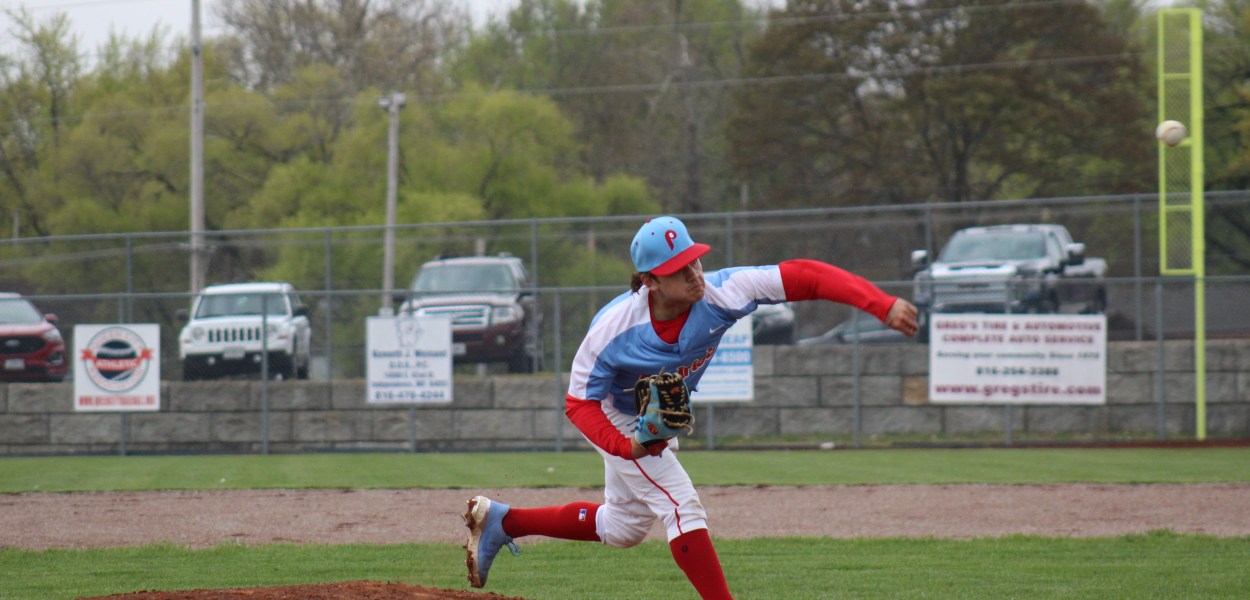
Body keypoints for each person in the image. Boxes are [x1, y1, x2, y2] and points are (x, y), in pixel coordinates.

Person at [463, 215, 919, 598]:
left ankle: (505, 521)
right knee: (682, 506)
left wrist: (879, 304)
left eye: (694, 260)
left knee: (623, 528)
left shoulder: (723, 290)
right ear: (650, 281)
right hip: (614, 414)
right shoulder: (613, 330)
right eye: (679, 269)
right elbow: (579, 402)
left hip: (648, 418)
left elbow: (807, 275)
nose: (694, 274)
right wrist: (626, 447)